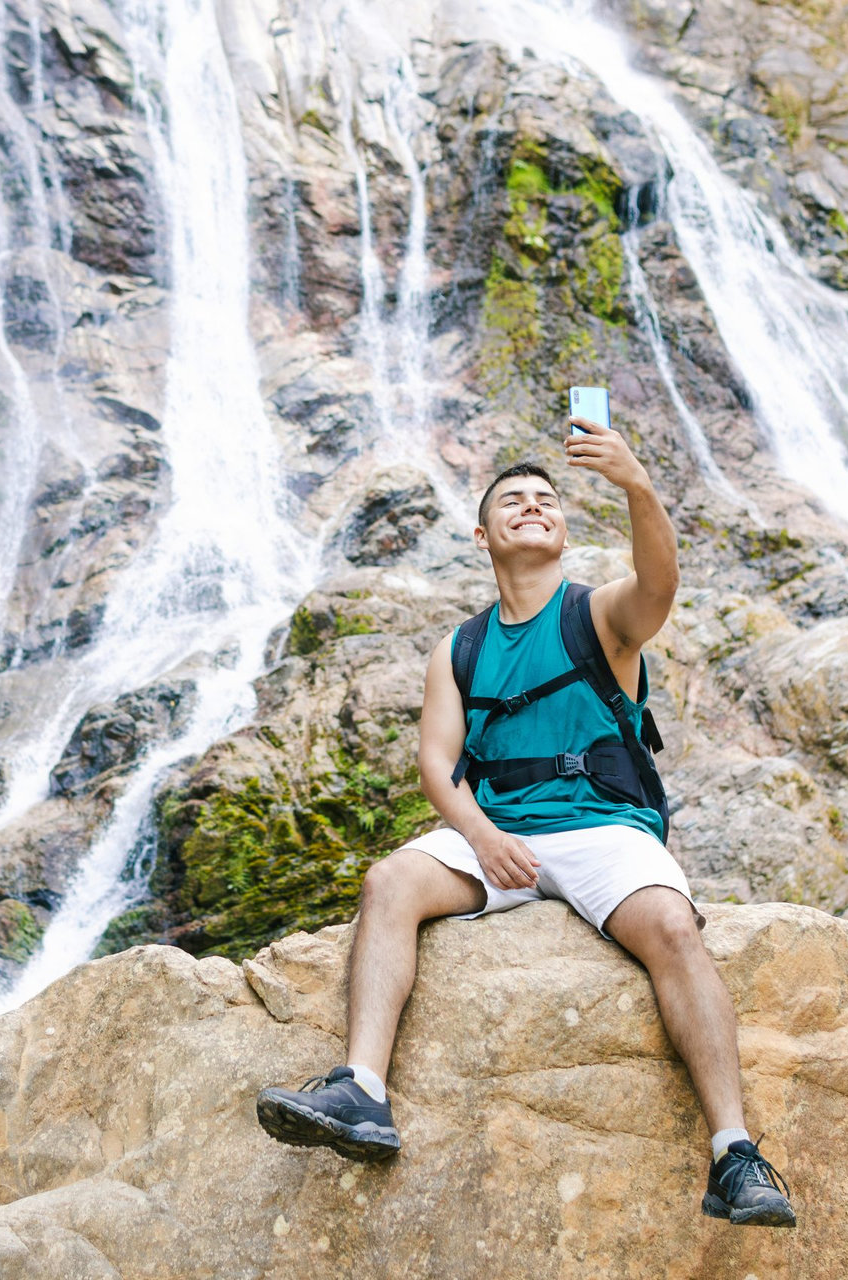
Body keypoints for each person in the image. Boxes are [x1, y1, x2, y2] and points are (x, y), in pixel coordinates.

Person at [254, 415, 796, 1228]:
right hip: (500, 835)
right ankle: (363, 1091)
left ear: (565, 528)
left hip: (604, 830)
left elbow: (662, 583)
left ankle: (734, 1154)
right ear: (483, 534)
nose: (534, 505)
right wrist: (479, 834)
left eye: (547, 498)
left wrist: (636, 483)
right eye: (513, 499)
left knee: (674, 930)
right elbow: (438, 766)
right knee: (390, 879)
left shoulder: (601, 614)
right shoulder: (460, 648)